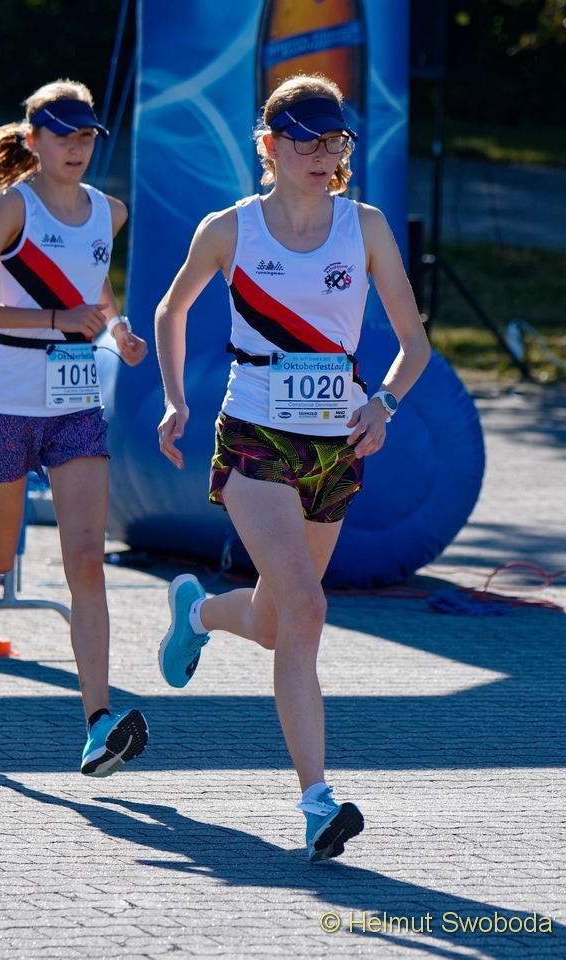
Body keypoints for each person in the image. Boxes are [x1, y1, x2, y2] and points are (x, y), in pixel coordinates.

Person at [154, 74, 430, 861]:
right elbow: (172, 309)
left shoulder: (364, 227)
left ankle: (198, 615)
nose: (323, 154)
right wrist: (175, 400)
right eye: (306, 140)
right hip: (255, 442)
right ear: (270, 146)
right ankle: (317, 802)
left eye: (334, 140)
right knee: (307, 609)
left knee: (278, 624)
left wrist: (383, 404)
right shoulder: (230, 229)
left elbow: (414, 343)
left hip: (333, 449)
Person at [0, 79, 149, 779]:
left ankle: (98, 723)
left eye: (86, 137)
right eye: (63, 136)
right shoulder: (13, 208)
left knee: (86, 562)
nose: (76, 148)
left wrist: (116, 327)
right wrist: (54, 320)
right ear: (34, 141)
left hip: (75, 406)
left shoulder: (110, 212)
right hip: (8, 401)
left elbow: (93, 282)